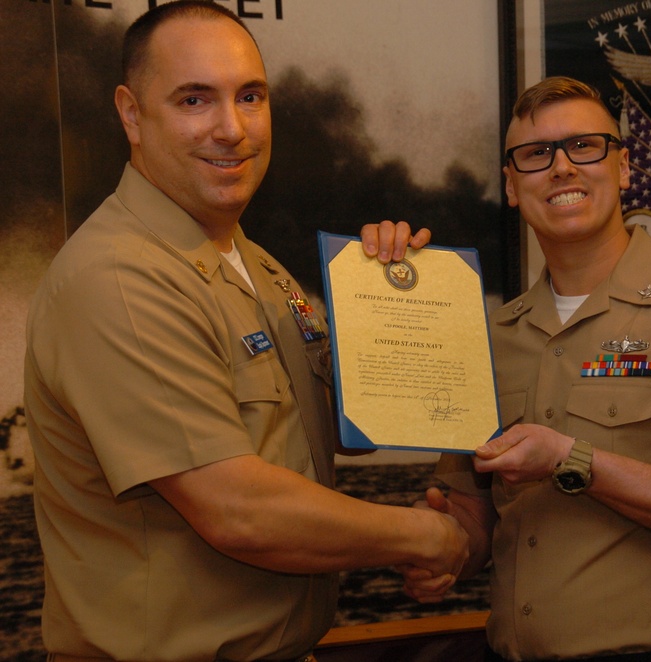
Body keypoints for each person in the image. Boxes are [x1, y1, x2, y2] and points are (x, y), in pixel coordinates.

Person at [23, 2, 467, 660]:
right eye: (195, 99)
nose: (231, 128)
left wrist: (389, 303)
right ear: (130, 113)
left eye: (250, 96)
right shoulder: (120, 278)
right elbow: (239, 509)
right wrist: (430, 538)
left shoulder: (254, 264)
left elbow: (336, 427)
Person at [401, 77, 651, 661]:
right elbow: (475, 515)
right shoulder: (490, 337)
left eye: (584, 146)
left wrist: (570, 460)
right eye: (536, 156)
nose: (561, 168)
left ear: (624, 167)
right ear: (512, 187)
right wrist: (438, 549)